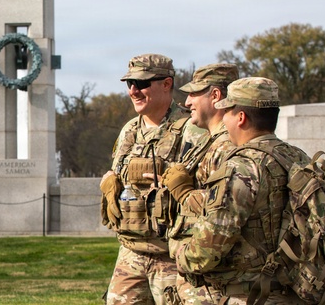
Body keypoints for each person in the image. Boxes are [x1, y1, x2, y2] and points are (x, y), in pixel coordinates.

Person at [173, 77, 310, 304]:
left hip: (249, 295)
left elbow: (208, 249)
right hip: (293, 292)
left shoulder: (241, 167)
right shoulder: (299, 157)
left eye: (226, 112)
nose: (223, 120)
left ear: (241, 117)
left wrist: (179, 255)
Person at [100, 53, 206, 304]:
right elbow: (120, 174)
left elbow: (208, 194)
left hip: (171, 255)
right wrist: (110, 184)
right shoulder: (129, 130)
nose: (133, 91)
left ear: (166, 84)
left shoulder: (192, 129)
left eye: (142, 83)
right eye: (129, 84)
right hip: (130, 252)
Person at [161, 63, 239, 304]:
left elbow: (227, 207)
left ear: (215, 96)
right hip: (198, 278)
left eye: (194, 93)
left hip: (213, 282)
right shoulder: (208, 142)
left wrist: (184, 192)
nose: (187, 102)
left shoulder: (227, 146)